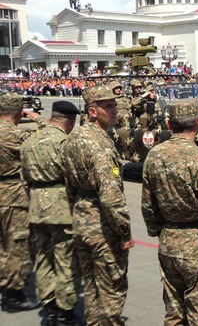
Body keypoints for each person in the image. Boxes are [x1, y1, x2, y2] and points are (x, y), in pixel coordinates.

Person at [142, 98, 198, 325]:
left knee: (174, 313)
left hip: (169, 243)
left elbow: (148, 205)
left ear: (170, 124)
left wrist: (156, 231)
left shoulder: (154, 155)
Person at [61, 85, 135, 325]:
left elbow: (69, 185)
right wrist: (124, 232)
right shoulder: (99, 144)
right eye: (108, 106)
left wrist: (78, 210)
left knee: (92, 288)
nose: (114, 111)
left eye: (114, 105)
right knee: (111, 289)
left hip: (82, 219)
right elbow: (111, 196)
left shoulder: (74, 138)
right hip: (103, 227)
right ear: (92, 112)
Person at [20, 100, 81, 325]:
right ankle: (65, 313)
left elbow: (24, 179)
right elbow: (74, 179)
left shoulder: (29, 141)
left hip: (36, 207)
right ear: (71, 120)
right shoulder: (65, 143)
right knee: (65, 261)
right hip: (62, 208)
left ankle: (50, 308)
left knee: (44, 259)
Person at [0, 93, 45, 313]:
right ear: (19, 113)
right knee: (18, 245)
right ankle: (14, 295)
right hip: (13, 195)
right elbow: (48, 138)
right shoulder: (17, 135)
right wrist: (38, 118)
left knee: (1, 245)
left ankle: (4, 283)